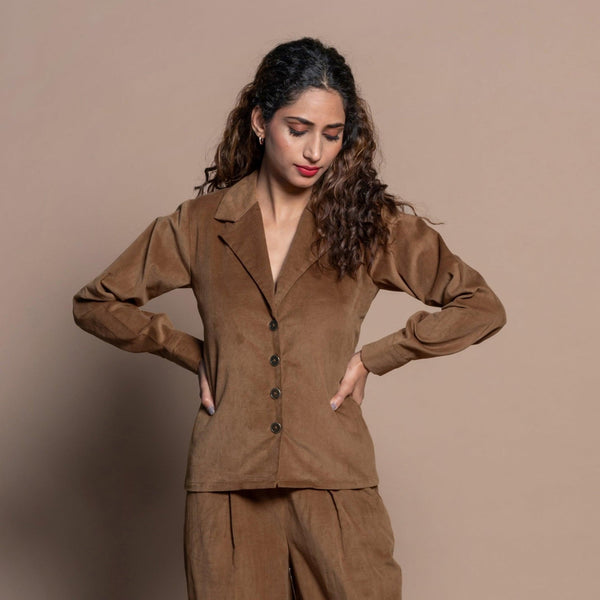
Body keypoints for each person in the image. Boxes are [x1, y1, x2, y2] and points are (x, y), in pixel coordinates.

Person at [72, 37, 506, 600]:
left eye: (331, 134)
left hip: (334, 477)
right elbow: (95, 302)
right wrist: (193, 352)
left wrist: (377, 358)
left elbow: (480, 304)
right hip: (227, 484)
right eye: (297, 129)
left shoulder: (367, 224)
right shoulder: (200, 225)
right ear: (260, 121)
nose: (314, 152)